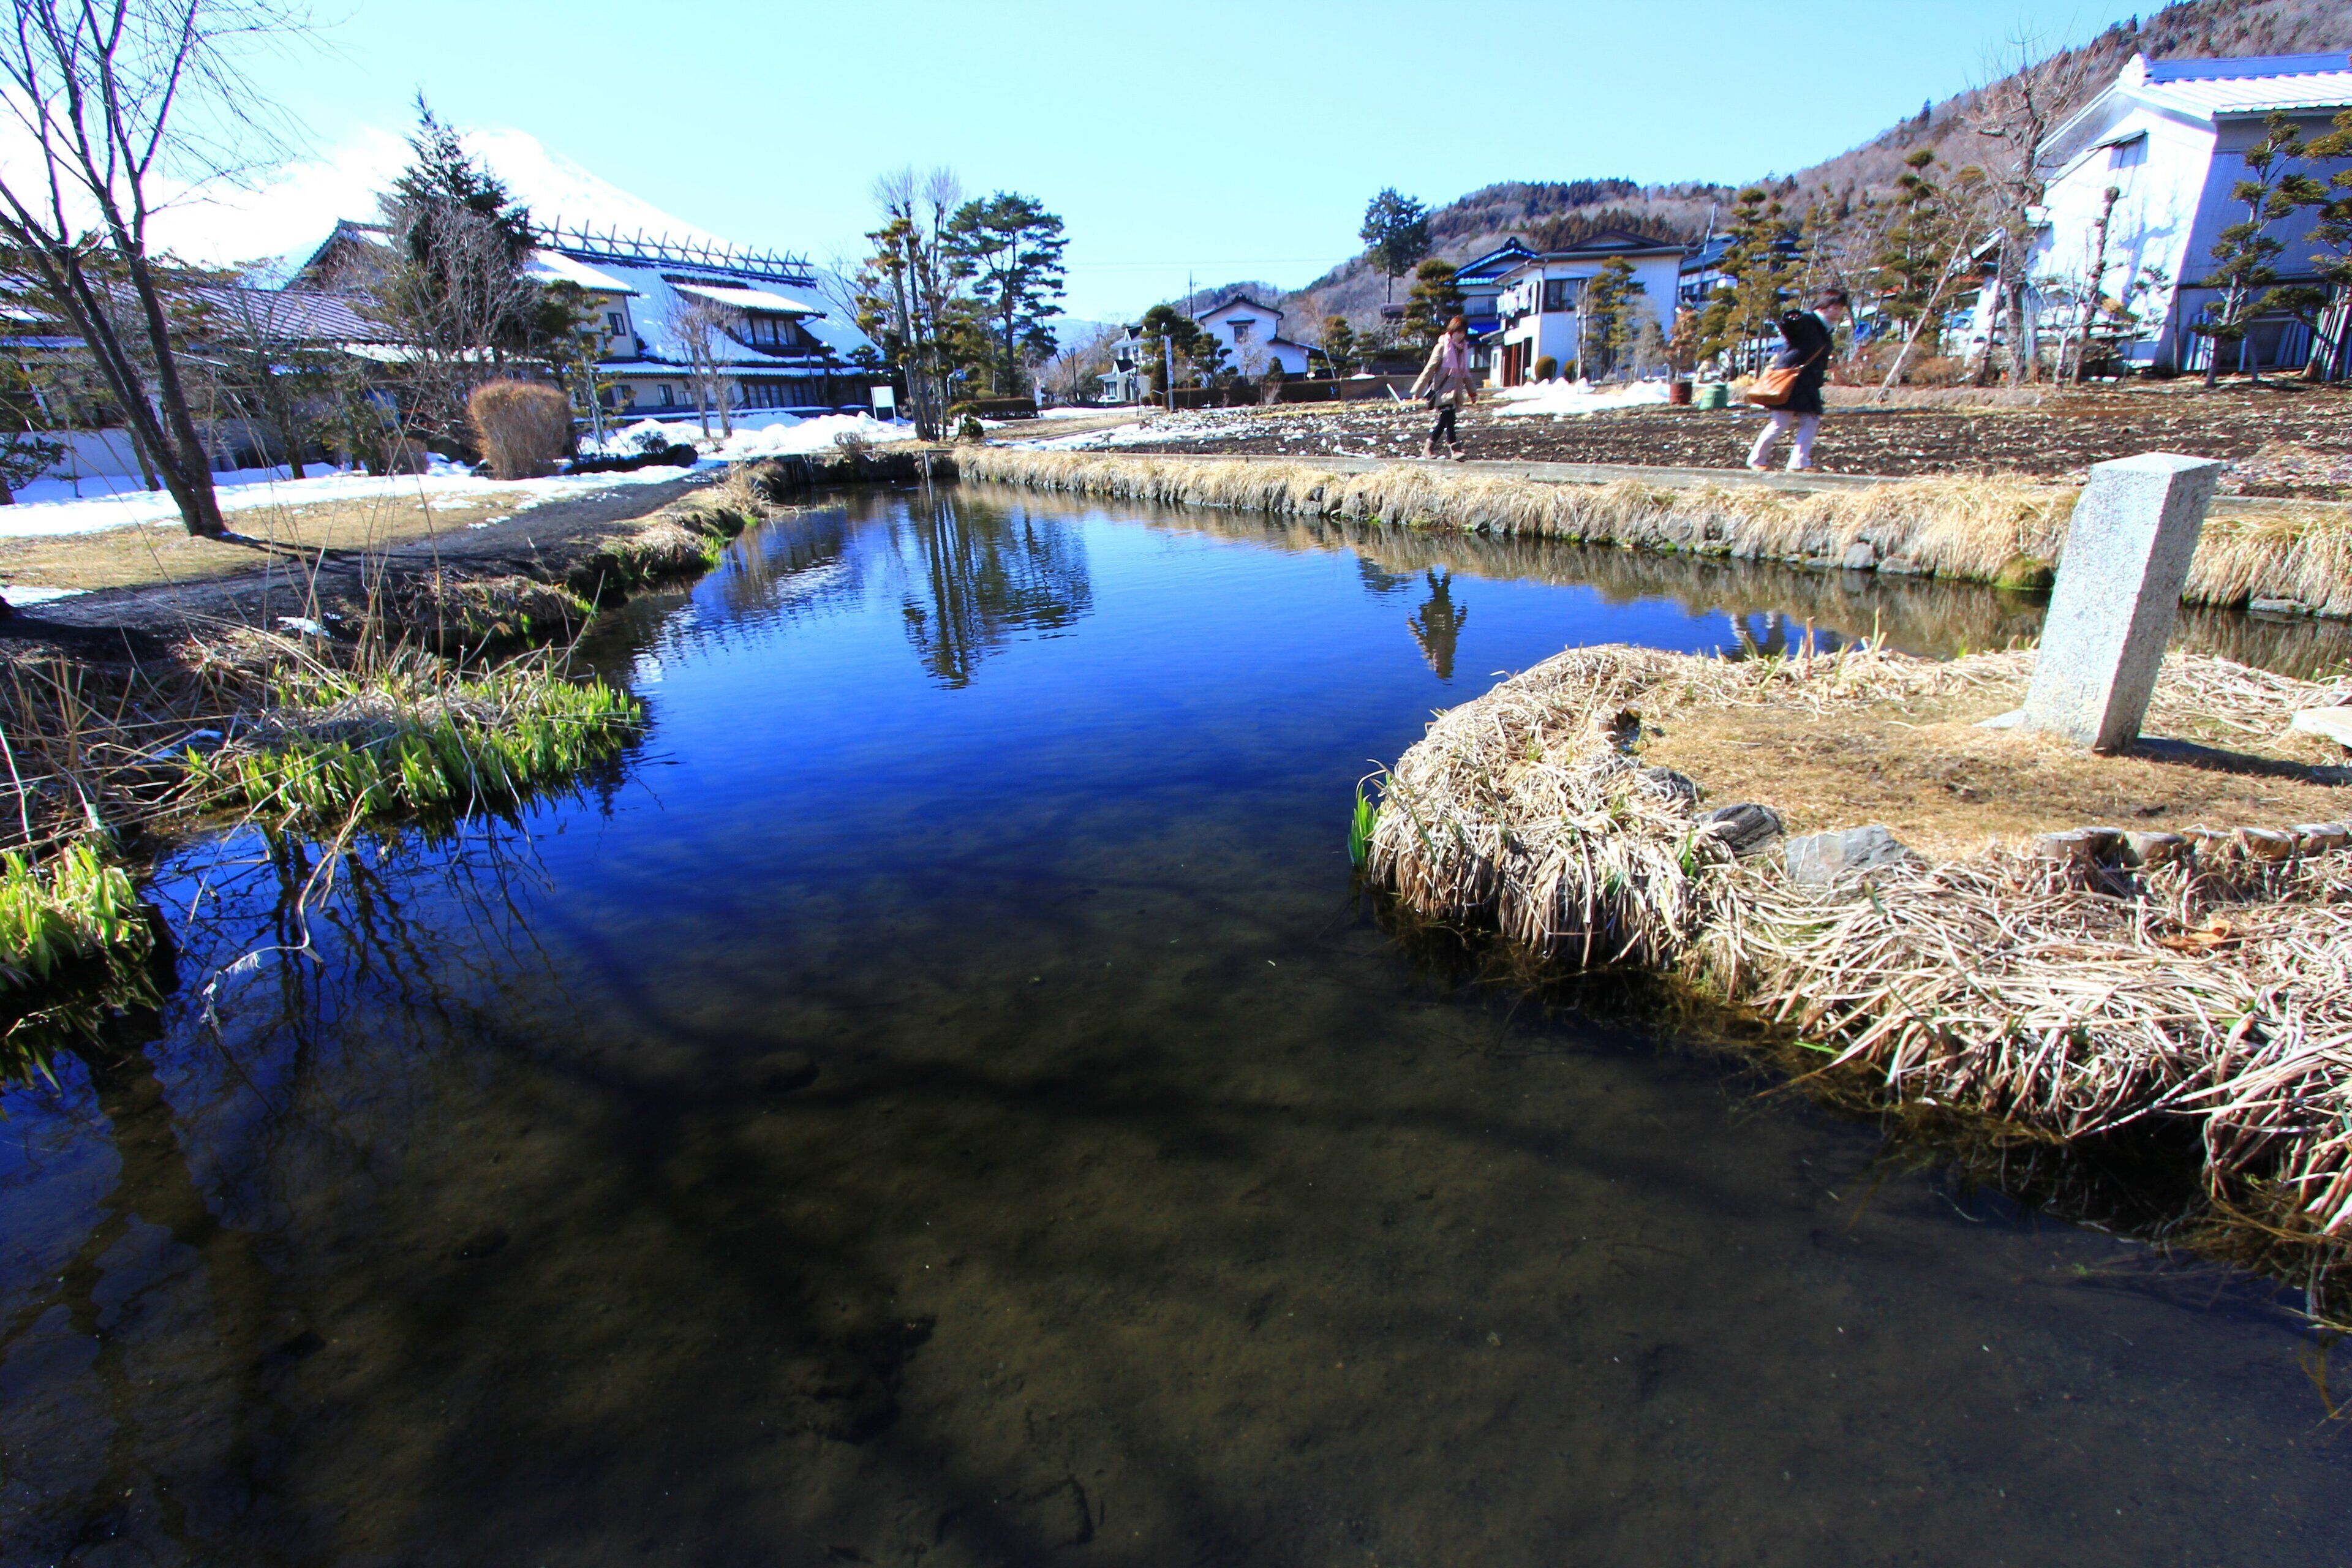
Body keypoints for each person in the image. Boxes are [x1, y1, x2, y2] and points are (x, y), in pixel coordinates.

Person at [1747, 288, 1849, 472]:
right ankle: (1756, 460)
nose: (1838, 311)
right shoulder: (1809, 321)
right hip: (1791, 380)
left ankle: (1799, 462)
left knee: (1811, 421)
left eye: (1840, 307)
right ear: (1824, 306)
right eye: (1835, 306)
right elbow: (1791, 328)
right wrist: (1790, 318)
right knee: (1780, 423)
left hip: (1807, 382)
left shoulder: (1825, 329)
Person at [1411, 315, 1477, 460]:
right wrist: (1418, 390)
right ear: (1452, 331)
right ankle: (1454, 449)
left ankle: (1430, 448)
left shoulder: (1463, 350)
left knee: (1448, 420)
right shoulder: (1442, 347)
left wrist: (1473, 393)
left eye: (1463, 332)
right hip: (1442, 391)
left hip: (1455, 393)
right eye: (1458, 331)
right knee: (1448, 418)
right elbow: (1429, 369)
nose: (1460, 335)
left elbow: (1466, 374)